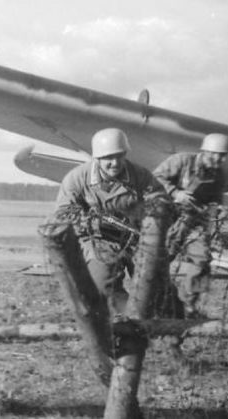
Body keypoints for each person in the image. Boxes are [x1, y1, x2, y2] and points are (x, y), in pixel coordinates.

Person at [54, 128, 168, 315]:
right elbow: (62, 214)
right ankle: (126, 319)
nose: (115, 163)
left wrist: (153, 216)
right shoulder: (76, 179)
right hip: (98, 240)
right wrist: (84, 219)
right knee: (103, 286)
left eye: (119, 156)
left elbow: (161, 200)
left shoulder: (140, 175)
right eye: (108, 158)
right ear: (97, 158)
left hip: (137, 238)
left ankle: (161, 322)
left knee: (157, 288)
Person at [153, 133, 228, 318]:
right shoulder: (181, 161)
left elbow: (215, 200)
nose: (218, 159)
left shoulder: (218, 175)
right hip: (167, 218)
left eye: (222, 155)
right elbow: (154, 178)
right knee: (160, 262)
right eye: (214, 154)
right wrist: (175, 193)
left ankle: (189, 305)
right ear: (203, 152)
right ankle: (156, 304)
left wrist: (218, 210)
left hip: (195, 221)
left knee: (201, 260)